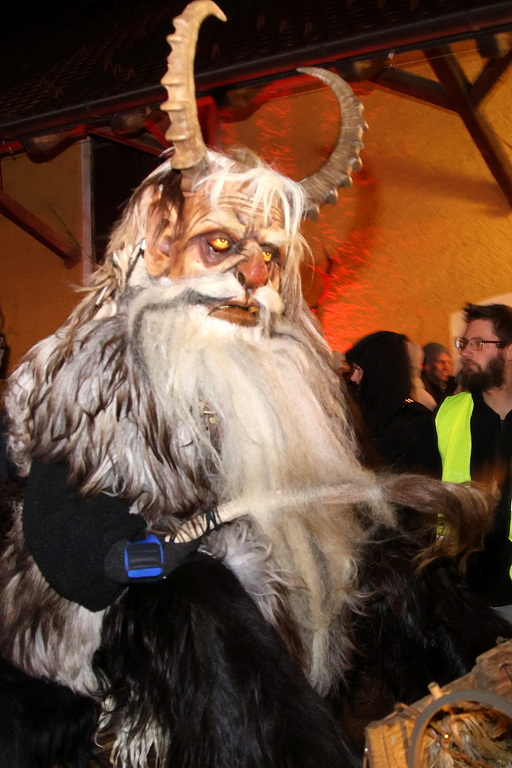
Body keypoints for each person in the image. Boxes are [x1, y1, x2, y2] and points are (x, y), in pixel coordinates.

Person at [0, 6, 509, 767]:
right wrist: (126, 556)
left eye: (268, 255)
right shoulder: (100, 360)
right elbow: (61, 509)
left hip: (257, 580)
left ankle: (491, 688)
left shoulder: (286, 361)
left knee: (390, 560)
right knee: (204, 600)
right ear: (161, 245)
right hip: (118, 615)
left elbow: (322, 500)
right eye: (221, 245)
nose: (252, 274)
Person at [435, 303, 512, 616]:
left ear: (509, 350)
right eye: (463, 343)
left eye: (478, 343)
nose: (464, 352)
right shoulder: (447, 413)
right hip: (462, 591)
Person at [345, 331, 441, 475]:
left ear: (380, 372)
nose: (353, 378)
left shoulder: (416, 424)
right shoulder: (365, 415)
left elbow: (424, 480)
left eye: (358, 369)